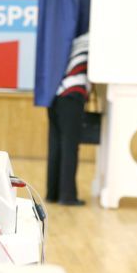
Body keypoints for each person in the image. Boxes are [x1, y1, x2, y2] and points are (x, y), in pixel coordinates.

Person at [45, 32, 90, 206]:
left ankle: (52, 193)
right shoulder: (91, 40)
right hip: (72, 95)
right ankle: (68, 195)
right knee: (70, 146)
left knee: (55, 144)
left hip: (54, 94)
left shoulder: (66, 40)